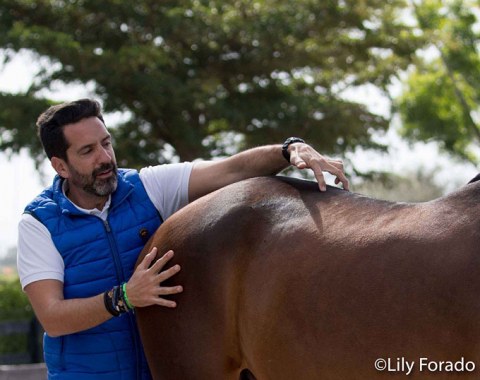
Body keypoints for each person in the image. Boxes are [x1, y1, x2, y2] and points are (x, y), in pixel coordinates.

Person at [17, 98, 349, 379]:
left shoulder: (147, 187)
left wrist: (288, 149)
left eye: (106, 143)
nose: (105, 158)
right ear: (60, 166)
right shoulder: (39, 224)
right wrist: (126, 297)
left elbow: (230, 170)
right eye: (87, 151)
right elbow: (53, 317)